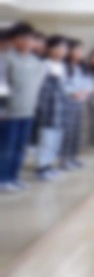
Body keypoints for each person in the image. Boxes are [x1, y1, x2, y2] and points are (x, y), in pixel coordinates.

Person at [0, 23, 47, 192]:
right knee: (6, 147)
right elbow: (1, 85)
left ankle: (14, 176)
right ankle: (3, 179)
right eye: (22, 38)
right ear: (14, 40)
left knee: (20, 147)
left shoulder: (37, 62)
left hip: (28, 111)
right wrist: (2, 108)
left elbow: (37, 87)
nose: (27, 41)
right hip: (9, 112)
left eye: (30, 38)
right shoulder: (5, 58)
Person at [34, 35, 69, 182]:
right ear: (50, 49)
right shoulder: (44, 65)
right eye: (59, 47)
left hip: (60, 107)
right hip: (48, 107)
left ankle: (49, 165)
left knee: (56, 138)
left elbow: (65, 86)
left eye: (65, 48)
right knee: (46, 138)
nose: (63, 51)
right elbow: (38, 87)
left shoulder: (63, 66)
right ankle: (41, 167)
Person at [62, 39, 92, 169]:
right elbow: (62, 84)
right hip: (67, 103)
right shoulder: (64, 66)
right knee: (67, 132)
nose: (81, 52)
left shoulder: (82, 67)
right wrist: (74, 92)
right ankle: (64, 159)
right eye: (78, 49)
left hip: (80, 102)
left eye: (82, 50)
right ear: (70, 51)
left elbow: (89, 82)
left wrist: (85, 91)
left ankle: (73, 157)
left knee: (77, 131)